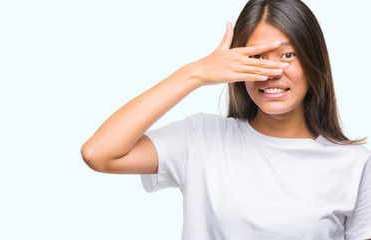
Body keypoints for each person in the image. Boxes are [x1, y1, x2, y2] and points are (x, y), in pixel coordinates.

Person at [81, 0, 371, 239]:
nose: (271, 71)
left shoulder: (355, 164)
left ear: (313, 61)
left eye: (288, 54)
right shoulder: (202, 137)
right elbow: (99, 153)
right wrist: (194, 74)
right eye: (256, 57)